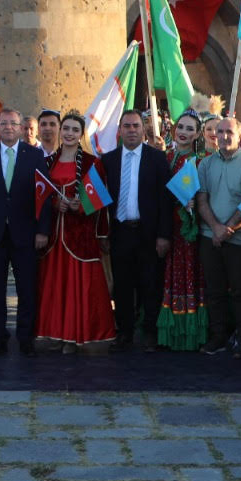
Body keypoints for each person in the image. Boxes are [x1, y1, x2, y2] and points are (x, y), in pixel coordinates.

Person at [0, 109, 47, 356]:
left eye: (14, 123)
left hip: (26, 234)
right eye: (4, 124)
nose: (9, 128)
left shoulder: (35, 155)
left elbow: (43, 197)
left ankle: (25, 337)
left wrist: (42, 231)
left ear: (22, 127)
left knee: (26, 289)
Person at [36, 113, 115, 352]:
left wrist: (78, 206)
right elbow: (40, 194)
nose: (69, 133)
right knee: (56, 287)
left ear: (81, 134)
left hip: (79, 236)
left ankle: (75, 336)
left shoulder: (92, 163)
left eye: (75, 130)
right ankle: (57, 334)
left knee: (77, 288)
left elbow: (99, 201)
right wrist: (54, 205)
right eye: (66, 129)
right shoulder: (48, 162)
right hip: (54, 240)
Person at [100, 110, 172, 351]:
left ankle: (149, 332)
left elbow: (165, 200)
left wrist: (163, 235)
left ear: (144, 129)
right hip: (120, 232)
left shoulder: (157, 159)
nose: (131, 130)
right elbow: (102, 201)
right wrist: (104, 234)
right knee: (122, 286)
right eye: (127, 126)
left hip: (149, 234)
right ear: (119, 130)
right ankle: (125, 333)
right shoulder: (108, 160)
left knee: (150, 284)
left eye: (136, 126)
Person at [197, 116, 241, 358]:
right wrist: (216, 228)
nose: (223, 136)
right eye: (219, 131)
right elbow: (201, 199)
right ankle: (218, 337)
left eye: (229, 132)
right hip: (210, 237)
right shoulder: (205, 165)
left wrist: (227, 229)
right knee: (214, 291)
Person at [159, 111, 208, 351]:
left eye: (190, 129)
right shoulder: (165, 158)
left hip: (190, 229)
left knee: (190, 275)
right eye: (181, 127)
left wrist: (194, 205)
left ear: (198, 134)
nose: (184, 132)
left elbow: (208, 195)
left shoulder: (201, 160)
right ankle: (169, 331)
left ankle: (190, 331)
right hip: (167, 227)